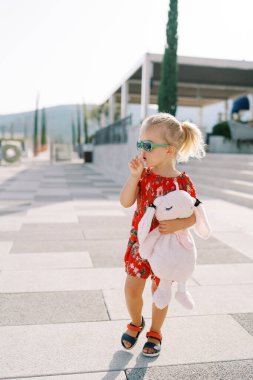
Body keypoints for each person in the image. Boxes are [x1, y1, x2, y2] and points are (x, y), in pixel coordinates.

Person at [119, 112, 206, 357]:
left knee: (161, 291)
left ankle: (155, 331)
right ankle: (136, 322)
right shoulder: (144, 176)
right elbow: (126, 202)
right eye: (139, 143)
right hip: (141, 244)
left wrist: (181, 224)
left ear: (169, 151)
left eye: (147, 145)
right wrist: (133, 177)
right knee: (132, 289)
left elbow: (196, 213)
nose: (141, 149)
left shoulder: (184, 183)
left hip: (167, 250)